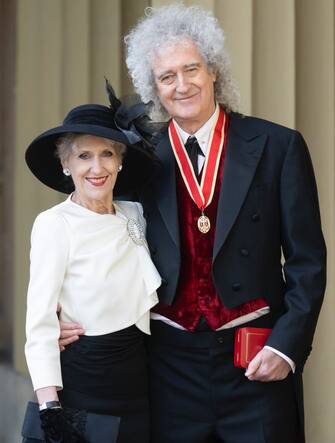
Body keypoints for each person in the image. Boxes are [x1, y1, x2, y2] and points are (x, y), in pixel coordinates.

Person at [60, 5, 326, 443]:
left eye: (192, 69)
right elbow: (98, 241)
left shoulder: (279, 146)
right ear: (155, 87)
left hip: (255, 360)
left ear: (213, 70)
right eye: (167, 77)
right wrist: (61, 309)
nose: (182, 85)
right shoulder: (136, 160)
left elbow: (307, 261)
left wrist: (287, 346)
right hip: (167, 366)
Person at [23, 97, 161, 443]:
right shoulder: (54, 224)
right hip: (87, 377)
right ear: (65, 164)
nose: (96, 167)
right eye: (84, 156)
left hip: (140, 375)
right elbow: (39, 322)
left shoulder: (135, 214)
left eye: (107, 154)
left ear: (120, 162)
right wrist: (49, 406)